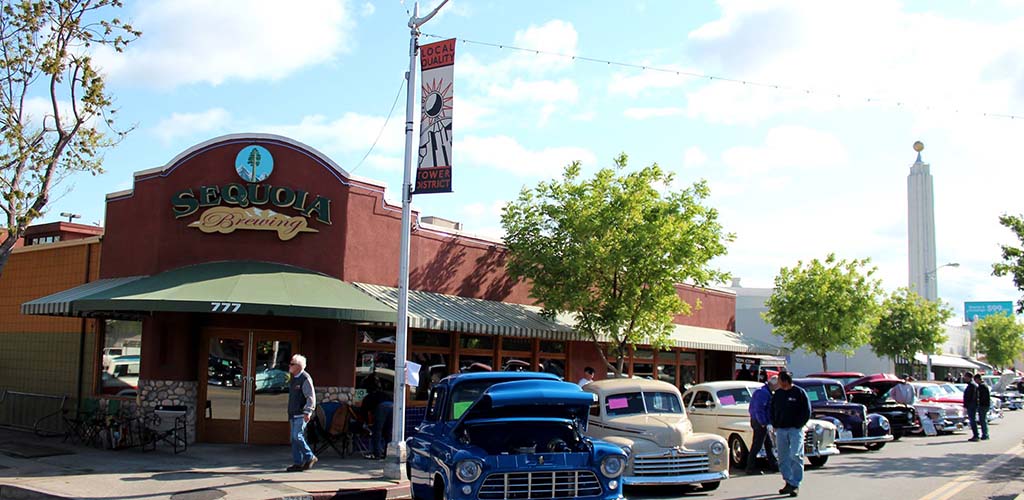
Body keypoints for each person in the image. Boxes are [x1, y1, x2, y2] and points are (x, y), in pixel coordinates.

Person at [770, 371, 810, 497]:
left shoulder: (799, 393)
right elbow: (772, 409)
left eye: (780, 380)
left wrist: (799, 424)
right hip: (781, 430)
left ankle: (796, 484)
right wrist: (774, 424)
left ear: (785, 380)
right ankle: (788, 482)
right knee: (783, 457)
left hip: (795, 430)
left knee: (795, 455)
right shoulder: (778, 394)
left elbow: (807, 411)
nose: (778, 383)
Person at [286, 354, 317, 472]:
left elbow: (310, 397)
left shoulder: (305, 378)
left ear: (298, 366)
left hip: (301, 413)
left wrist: (308, 411)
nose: (289, 366)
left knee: (297, 436)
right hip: (293, 413)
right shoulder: (293, 378)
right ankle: (297, 463)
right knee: (293, 439)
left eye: (292, 364)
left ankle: (310, 456)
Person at [746, 375, 779, 475]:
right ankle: (750, 468)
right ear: (774, 384)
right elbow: (759, 409)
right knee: (757, 445)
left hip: (761, 421)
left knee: (768, 444)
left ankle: (774, 465)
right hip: (759, 422)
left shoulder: (766, 392)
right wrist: (763, 423)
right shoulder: (763, 393)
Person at [360, 375, 394, 459]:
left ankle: (377, 453)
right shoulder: (384, 394)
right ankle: (387, 453)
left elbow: (364, 412)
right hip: (392, 406)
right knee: (388, 433)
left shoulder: (368, 398)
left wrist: (366, 423)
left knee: (377, 432)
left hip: (381, 408)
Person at [963, 374, 980, 442]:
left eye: (966, 377)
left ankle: (976, 435)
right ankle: (975, 435)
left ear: (969, 378)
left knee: (973, 420)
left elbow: (972, 397)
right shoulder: (971, 385)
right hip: (971, 405)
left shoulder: (972, 385)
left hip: (972, 405)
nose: (965, 378)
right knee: (972, 420)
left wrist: (968, 404)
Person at [974, 374, 990, 440]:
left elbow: (980, 397)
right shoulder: (985, 385)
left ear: (978, 379)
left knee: (983, 420)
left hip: (983, 405)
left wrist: (978, 402)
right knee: (983, 420)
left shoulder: (982, 386)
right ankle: (985, 434)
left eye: (975, 380)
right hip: (985, 405)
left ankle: (985, 434)